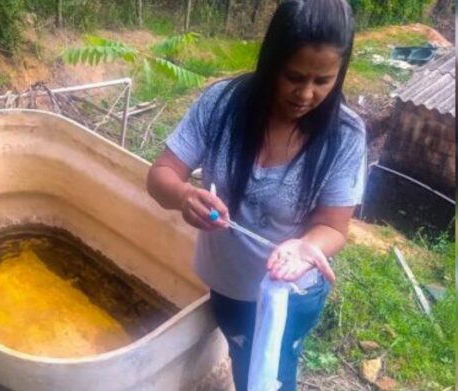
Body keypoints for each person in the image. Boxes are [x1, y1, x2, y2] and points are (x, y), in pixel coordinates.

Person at [146, 0, 366, 390]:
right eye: (293, 76)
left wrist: (302, 247)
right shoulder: (222, 105)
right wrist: (183, 196)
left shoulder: (344, 136)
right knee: (244, 362)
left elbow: (334, 226)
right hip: (228, 284)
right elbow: (160, 176)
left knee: (272, 379)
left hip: (289, 295)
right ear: (270, 62)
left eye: (323, 81)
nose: (306, 93)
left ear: (340, 73)